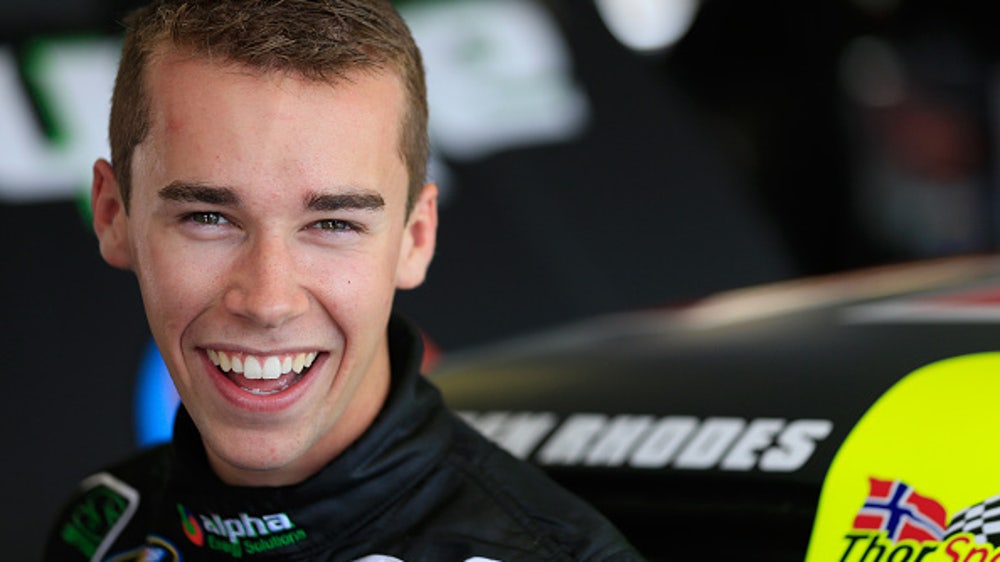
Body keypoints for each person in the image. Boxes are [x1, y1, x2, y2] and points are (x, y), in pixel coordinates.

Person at [42, 0, 644, 560]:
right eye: (209, 218)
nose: (268, 301)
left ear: (416, 238)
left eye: (333, 223)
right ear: (113, 215)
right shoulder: (102, 526)